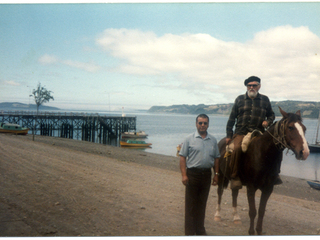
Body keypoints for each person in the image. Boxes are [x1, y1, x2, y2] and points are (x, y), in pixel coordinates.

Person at [226, 76, 276, 190]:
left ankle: (273, 175)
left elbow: (271, 114)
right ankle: (234, 177)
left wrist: (267, 121)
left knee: (272, 149)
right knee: (237, 148)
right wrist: (229, 136)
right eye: (249, 85)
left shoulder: (265, 99)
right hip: (241, 132)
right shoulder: (239, 99)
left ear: (259, 86)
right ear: (247, 87)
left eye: (254, 85)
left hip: (258, 133)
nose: (252, 87)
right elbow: (231, 119)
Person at [179, 114, 220, 235]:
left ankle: (200, 231)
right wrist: (184, 175)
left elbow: (217, 158)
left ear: (208, 124)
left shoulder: (213, 140)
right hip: (192, 175)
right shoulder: (189, 139)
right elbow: (182, 157)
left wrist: (216, 174)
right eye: (200, 123)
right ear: (196, 124)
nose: (202, 125)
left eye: (205, 123)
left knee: (202, 205)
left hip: (206, 175)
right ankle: (190, 233)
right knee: (191, 206)